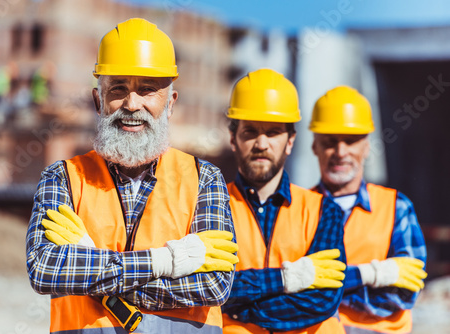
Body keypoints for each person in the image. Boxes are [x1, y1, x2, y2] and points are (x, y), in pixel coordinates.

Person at [26, 18, 238, 334]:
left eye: (148, 90)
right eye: (118, 88)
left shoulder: (204, 179)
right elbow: (45, 270)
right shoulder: (62, 178)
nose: (131, 104)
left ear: (170, 104)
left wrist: (92, 271)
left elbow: (214, 284)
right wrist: (164, 262)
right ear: (98, 101)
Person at [221, 68, 347, 334]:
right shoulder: (210, 204)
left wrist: (237, 308)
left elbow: (321, 299)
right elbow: (208, 287)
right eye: (250, 131)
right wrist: (286, 279)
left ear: (290, 141)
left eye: (274, 132)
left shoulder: (324, 212)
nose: (262, 143)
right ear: (233, 138)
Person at [309, 86, 427, 334]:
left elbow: (404, 293)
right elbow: (284, 288)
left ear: (367, 147)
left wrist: (322, 292)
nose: (340, 152)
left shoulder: (396, 208)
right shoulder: (298, 208)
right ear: (314, 146)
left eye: (350, 141)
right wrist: (372, 276)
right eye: (330, 142)